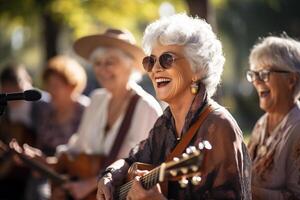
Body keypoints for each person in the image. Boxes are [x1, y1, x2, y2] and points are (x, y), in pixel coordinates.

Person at [97, 13, 251, 200]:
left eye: (167, 59)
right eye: (150, 61)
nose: (155, 69)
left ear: (198, 69)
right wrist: (110, 175)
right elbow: (131, 160)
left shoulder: (219, 126)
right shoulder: (165, 123)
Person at [246, 36, 300, 199]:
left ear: (292, 79)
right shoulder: (261, 124)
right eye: (253, 74)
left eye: (264, 74)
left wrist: (243, 189)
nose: (256, 81)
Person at [0, 63, 45, 200]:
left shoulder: (42, 105)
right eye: (7, 87)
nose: (11, 90)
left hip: (36, 166)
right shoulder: (4, 105)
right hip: (10, 170)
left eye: (15, 86)